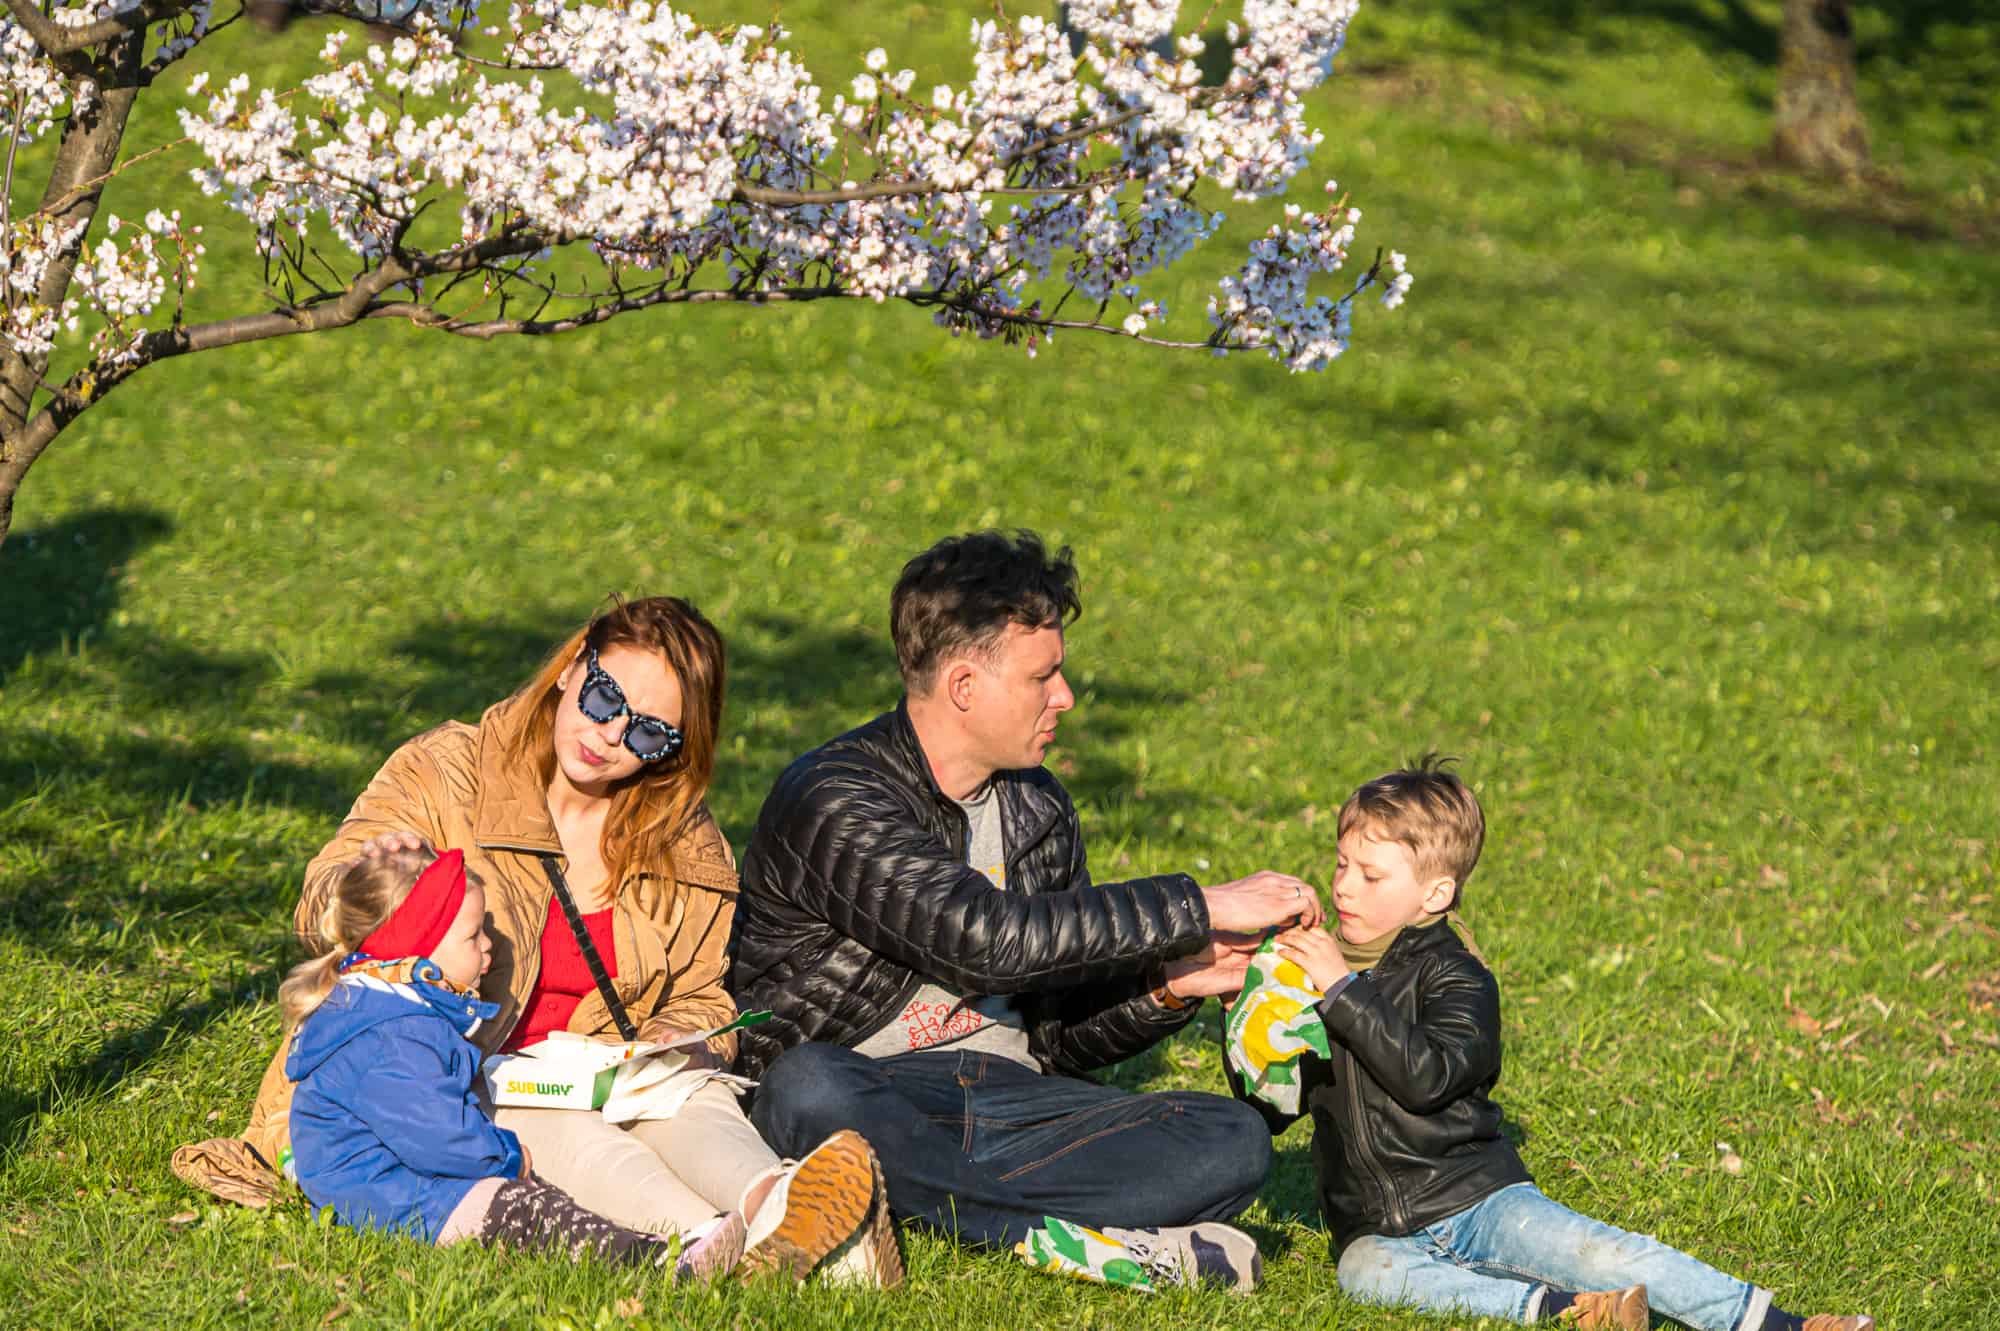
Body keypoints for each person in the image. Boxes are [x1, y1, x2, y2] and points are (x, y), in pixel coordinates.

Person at [184, 597, 892, 1284]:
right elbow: (321, 910)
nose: (611, 735)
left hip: (613, 1071)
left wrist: (681, 1038)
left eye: (648, 734)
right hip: (460, 1076)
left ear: (675, 751)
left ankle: (781, 1202)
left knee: (692, 1096)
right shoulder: (447, 771)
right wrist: (365, 882)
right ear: (572, 665)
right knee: (566, 1127)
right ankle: (716, 1240)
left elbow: (704, 995)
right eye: (605, 697)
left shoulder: (686, 842)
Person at [729, 530, 1323, 1291]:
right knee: (805, 1085)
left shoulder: (1038, 806)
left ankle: (940, 1207)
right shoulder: (836, 797)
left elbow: (1059, 1032)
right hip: (871, 1092)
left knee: (1230, 1136)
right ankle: (1051, 1236)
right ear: (964, 685)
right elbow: (986, 941)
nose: (1065, 697)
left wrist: (1170, 983)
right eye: (1043, 676)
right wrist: (1199, 903)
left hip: (1011, 1102)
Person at [1246, 756, 1875, 1331]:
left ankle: (1778, 1324)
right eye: (1341, 864)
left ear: (1434, 893)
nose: (1344, 888)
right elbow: (1275, 1107)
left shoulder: (1456, 977)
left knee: (1601, 1252)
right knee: (1366, 1276)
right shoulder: (1316, 974)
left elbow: (1427, 1077)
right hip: (1375, 1228)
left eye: (1371, 875)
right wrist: (1251, 1015)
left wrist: (1342, 991)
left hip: (1475, 1198)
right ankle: (1567, 1312)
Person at [281, 844, 746, 1277]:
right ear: (418, 953)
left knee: (534, 1204)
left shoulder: (392, 1014)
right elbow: (438, 1135)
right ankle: (656, 1262)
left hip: (399, 1181)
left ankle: (658, 1247)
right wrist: (504, 1154)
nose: (488, 945)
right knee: (524, 1211)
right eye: (473, 936)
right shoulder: (391, 1035)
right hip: (385, 1198)